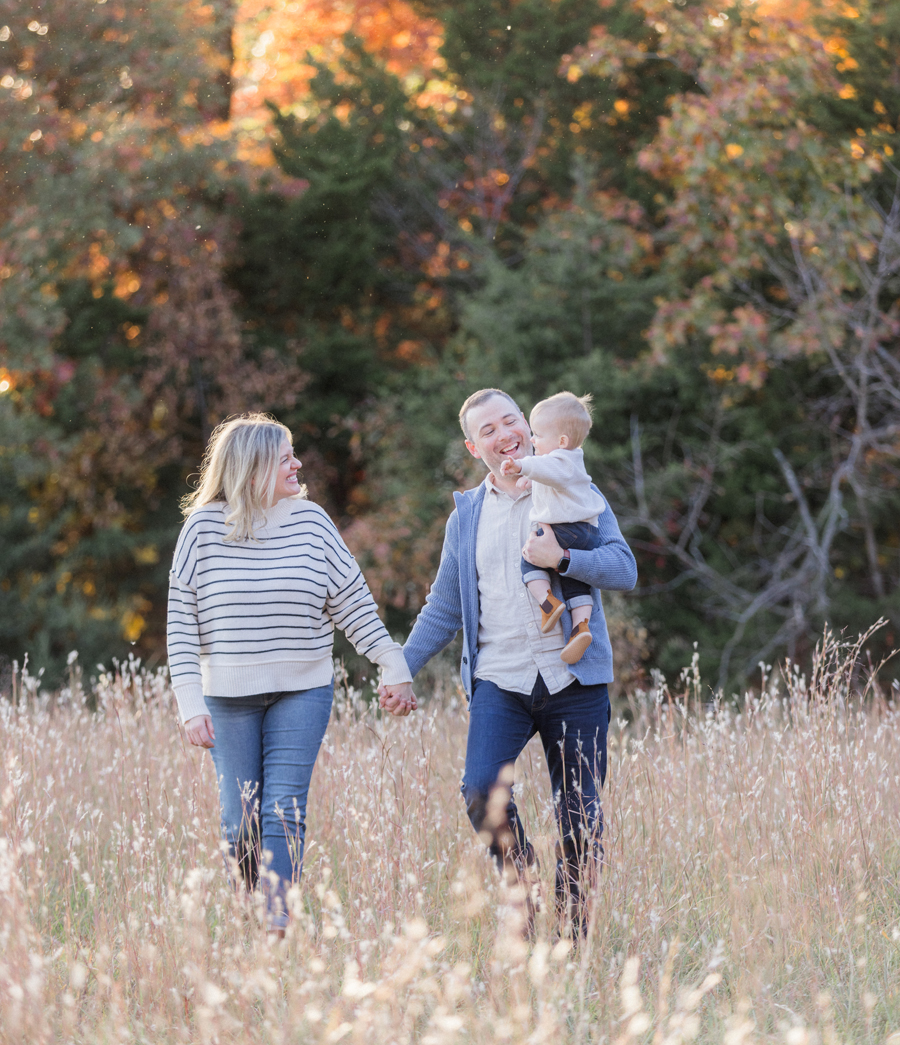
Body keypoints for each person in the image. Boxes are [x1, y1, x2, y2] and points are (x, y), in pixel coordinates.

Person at [395, 389, 636, 933]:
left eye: (511, 421)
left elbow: (624, 568)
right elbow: (444, 606)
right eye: (489, 430)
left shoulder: (571, 488)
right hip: (499, 681)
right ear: (473, 446)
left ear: (528, 428)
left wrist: (564, 558)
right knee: (481, 791)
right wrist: (400, 666)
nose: (504, 434)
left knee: (580, 817)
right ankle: (520, 886)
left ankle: (574, 944)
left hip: (573, 679)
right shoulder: (467, 516)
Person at [167, 412, 415, 933]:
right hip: (227, 697)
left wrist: (392, 664)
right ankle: (249, 906)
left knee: (283, 809)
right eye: (285, 457)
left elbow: (353, 605)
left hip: (302, 690)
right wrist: (189, 704)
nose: (297, 464)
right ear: (253, 467)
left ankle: (276, 919)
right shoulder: (202, 530)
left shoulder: (312, 522)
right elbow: (181, 625)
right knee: (240, 822)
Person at [499, 391, 606, 665]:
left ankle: (548, 603)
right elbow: (552, 481)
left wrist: (520, 467)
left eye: (538, 435)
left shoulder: (561, 459)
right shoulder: (569, 466)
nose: (533, 440)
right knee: (575, 583)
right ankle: (580, 628)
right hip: (586, 534)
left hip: (566, 530)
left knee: (530, 558)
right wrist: (530, 481)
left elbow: (546, 469)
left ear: (561, 441)